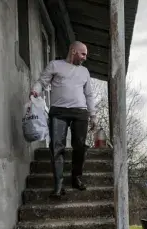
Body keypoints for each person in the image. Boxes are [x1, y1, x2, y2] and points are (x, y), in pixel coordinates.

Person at [30, 41, 97, 197]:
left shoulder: (84, 72)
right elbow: (42, 82)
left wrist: (93, 115)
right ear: (73, 51)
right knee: (57, 147)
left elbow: (89, 95)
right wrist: (35, 91)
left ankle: (76, 178)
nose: (85, 58)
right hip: (59, 112)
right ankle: (59, 184)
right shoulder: (55, 65)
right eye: (83, 54)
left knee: (79, 146)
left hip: (80, 112)